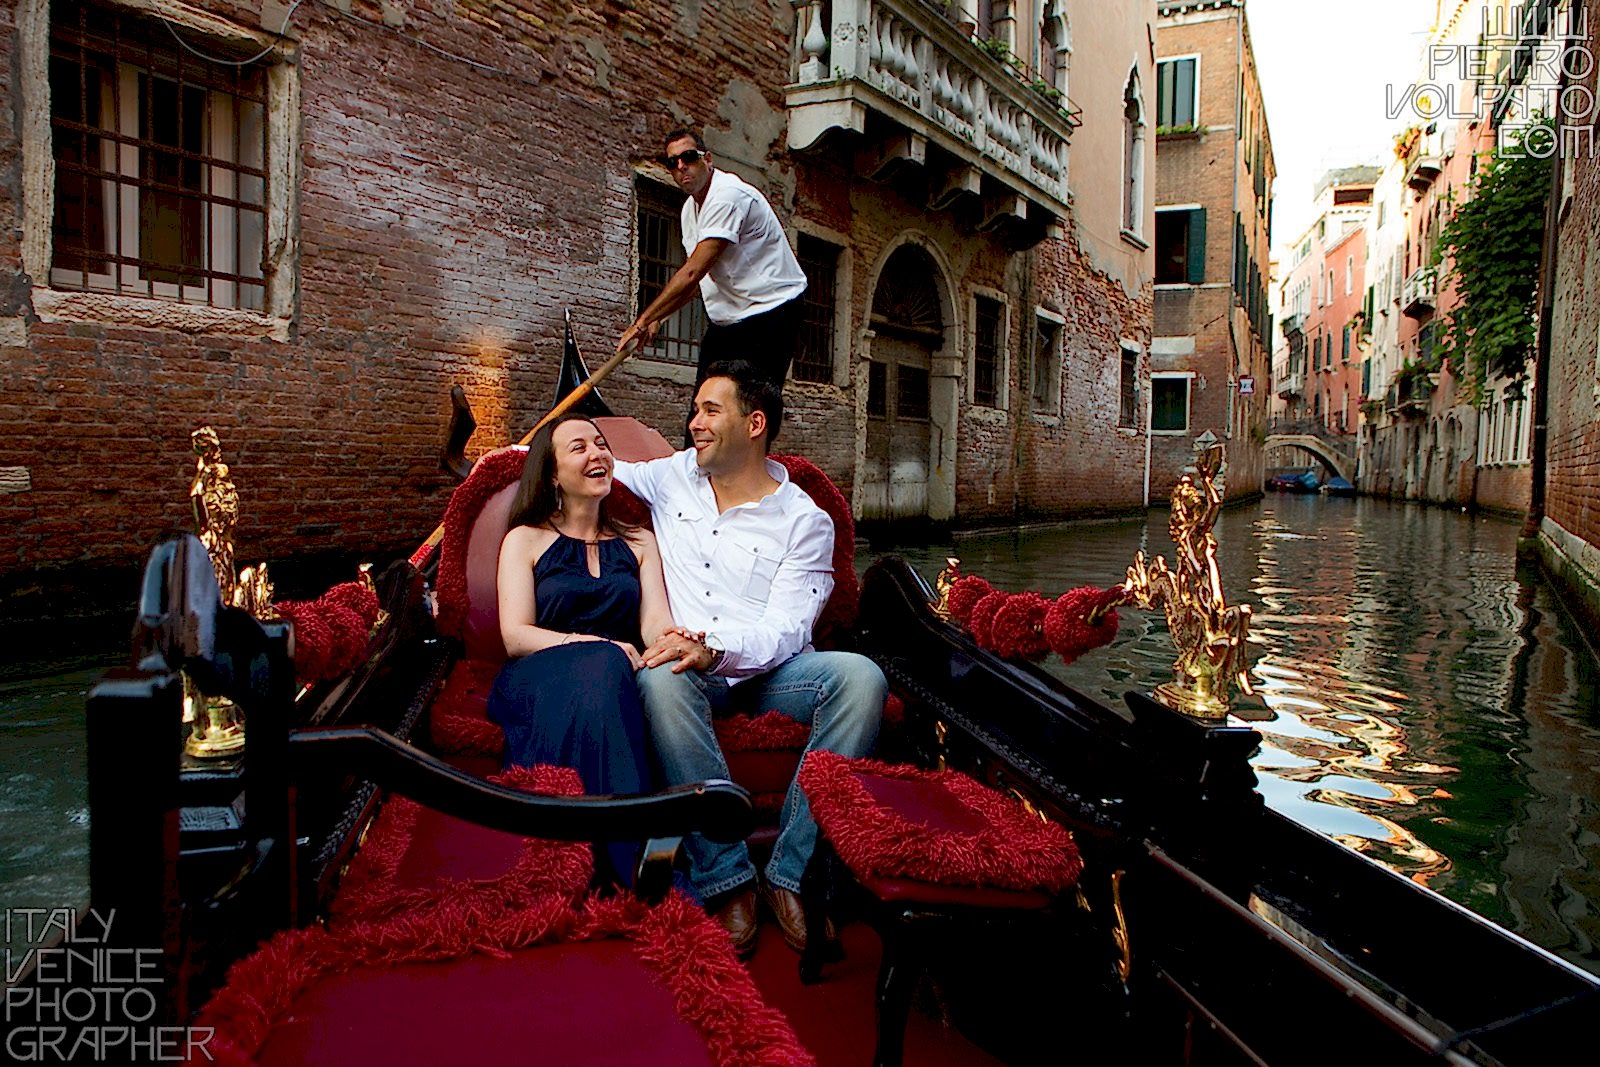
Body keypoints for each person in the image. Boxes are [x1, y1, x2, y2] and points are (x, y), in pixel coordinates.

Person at [614, 361, 886, 958]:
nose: (694, 425)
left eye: (711, 411)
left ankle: (788, 873)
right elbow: (600, 464)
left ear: (755, 423)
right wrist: (511, 454)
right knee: (661, 677)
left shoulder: (803, 520)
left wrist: (717, 650)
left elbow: (789, 628)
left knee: (862, 677)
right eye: (694, 411)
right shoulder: (670, 477)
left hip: (770, 673)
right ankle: (729, 876)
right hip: (690, 671)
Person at [487, 414, 683, 887]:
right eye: (579, 447)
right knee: (604, 661)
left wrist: (673, 639)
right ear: (553, 473)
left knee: (610, 669)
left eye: (601, 444)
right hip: (539, 674)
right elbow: (515, 635)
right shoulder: (524, 539)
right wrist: (592, 644)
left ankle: (600, 859)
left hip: (615, 678)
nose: (597, 454)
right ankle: (628, 862)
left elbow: (654, 620)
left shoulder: (639, 541)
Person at [615, 129, 808, 395]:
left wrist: (642, 321)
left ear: (707, 159)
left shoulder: (728, 195)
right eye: (673, 162)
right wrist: (658, 320)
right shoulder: (688, 212)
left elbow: (692, 272)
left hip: (773, 310)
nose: (681, 166)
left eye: (688, 157)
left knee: (751, 404)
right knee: (704, 402)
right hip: (729, 317)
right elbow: (698, 283)